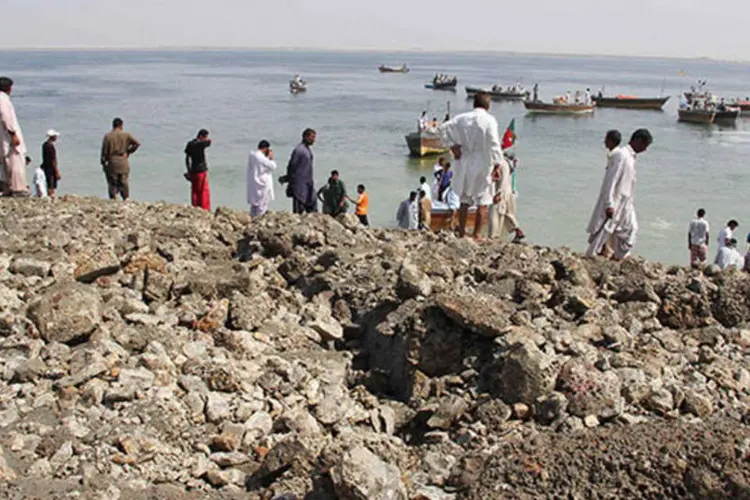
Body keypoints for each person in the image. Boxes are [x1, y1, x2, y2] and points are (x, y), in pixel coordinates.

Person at [437, 92, 503, 238]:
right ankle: (477, 234)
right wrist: (497, 164)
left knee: (464, 200)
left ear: (474, 104)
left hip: (464, 160)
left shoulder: (462, 118)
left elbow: (442, 128)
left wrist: (452, 146)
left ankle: (461, 232)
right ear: (488, 106)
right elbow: (494, 144)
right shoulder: (489, 120)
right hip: (482, 161)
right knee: (483, 201)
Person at [586, 128, 653, 260]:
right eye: (645, 145)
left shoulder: (631, 158)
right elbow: (611, 180)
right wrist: (609, 204)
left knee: (630, 230)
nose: (645, 149)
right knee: (604, 231)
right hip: (615, 202)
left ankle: (618, 256)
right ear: (638, 141)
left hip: (626, 203)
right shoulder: (621, 155)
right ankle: (591, 257)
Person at [0, 77, 28, 196]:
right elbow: (6, 117)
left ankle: (7, 187)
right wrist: (13, 134)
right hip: (8, 136)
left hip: (3, 135)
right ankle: (18, 188)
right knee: (15, 160)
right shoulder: (3, 99)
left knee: (7, 162)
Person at [100, 117, 140, 200]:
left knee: (112, 181)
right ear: (121, 125)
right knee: (124, 181)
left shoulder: (108, 136)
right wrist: (128, 152)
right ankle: (126, 198)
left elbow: (104, 151)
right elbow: (137, 144)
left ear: (113, 125)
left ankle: (114, 198)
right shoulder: (126, 135)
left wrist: (103, 163)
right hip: (123, 160)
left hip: (112, 161)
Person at [488, 154, 524, 242]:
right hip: (509, 192)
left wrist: (498, 193)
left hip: (502, 192)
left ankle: (493, 237)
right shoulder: (507, 163)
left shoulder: (501, 164)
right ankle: (518, 231)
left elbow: (501, 180)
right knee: (508, 214)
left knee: (495, 214)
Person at [284, 128, 317, 214]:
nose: (314, 139)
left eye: (314, 137)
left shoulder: (307, 150)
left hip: (308, 183)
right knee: (299, 211)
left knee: (312, 207)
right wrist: (288, 178)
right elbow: (292, 166)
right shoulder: (299, 150)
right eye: (312, 137)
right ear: (305, 137)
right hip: (299, 186)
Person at [247, 140, 277, 217]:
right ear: (265, 148)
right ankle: (259, 219)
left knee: (255, 205)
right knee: (262, 205)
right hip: (262, 184)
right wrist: (271, 158)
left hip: (255, 183)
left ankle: (252, 219)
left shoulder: (253, 155)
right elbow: (273, 166)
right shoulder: (261, 157)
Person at [184, 129, 212, 210]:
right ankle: (204, 208)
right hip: (201, 170)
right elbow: (209, 142)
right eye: (205, 137)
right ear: (201, 136)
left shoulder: (190, 144)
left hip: (193, 170)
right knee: (203, 191)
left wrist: (188, 171)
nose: (206, 138)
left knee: (195, 191)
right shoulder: (201, 144)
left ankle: (195, 206)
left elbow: (187, 158)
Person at [41, 129, 60, 197]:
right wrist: (57, 171)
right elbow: (53, 160)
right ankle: (51, 195)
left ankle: (49, 194)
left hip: (46, 167)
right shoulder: (50, 146)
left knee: (48, 182)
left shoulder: (44, 145)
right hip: (51, 168)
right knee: (51, 183)